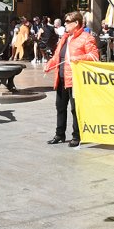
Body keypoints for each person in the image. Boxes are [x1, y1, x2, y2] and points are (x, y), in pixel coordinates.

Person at [43, 11, 99, 147]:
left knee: (75, 109)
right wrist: (49, 65)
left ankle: (77, 136)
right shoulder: (64, 38)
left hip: (75, 80)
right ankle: (59, 134)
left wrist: (78, 58)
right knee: (60, 107)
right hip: (61, 78)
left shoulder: (87, 38)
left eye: (68, 22)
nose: (65, 24)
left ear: (76, 23)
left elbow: (94, 56)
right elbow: (57, 56)